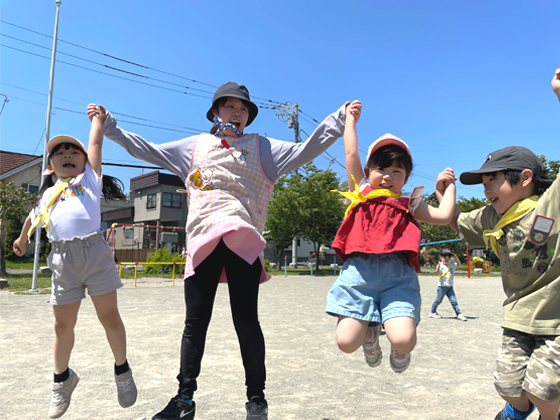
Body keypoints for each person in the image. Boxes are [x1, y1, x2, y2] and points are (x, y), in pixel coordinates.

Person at [94, 81, 350, 420]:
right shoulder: (195, 146)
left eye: (243, 109)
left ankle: (256, 400)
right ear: (215, 112)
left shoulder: (262, 149)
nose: (237, 113)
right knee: (194, 323)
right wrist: (109, 126)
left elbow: (306, 150)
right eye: (230, 107)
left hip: (242, 241)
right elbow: (147, 150)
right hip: (203, 243)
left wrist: (338, 120)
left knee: (246, 322)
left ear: (248, 117)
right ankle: (184, 399)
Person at [438, 70, 560, 420]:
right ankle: (514, 411)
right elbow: (456, 221)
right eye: (484, 183)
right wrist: (444, 197)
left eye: (494, 180)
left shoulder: (550, 204)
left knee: (543, 389)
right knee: (508, 386)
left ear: (524, 179)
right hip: (518, 316)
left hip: (556, 319)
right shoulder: (491, 217)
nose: (487, 189)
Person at [12, 107, 137, 419]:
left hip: (94, 253)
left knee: (109, 317)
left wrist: (97, 119)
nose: (67, 154)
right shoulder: (47, 195)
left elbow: (95, 144)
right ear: (50, 166)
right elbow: (32, 217)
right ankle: (62, 381)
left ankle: (122, 371)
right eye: (60, 152)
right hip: (63, 259)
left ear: (83, 161)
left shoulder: (91, 180)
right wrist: (23, 237)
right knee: (62, 325)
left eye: (73, 151)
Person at [325, 100, 457, 374]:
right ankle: (370, 337)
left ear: (406, 176)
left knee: (404, 340)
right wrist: (350, 121)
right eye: (381, 169)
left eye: (396, 171)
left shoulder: (410, 202)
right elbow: (350, 152)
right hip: (359, 274)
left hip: (398, 275)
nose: (387, 176)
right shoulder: (361, 189)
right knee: (346, 342)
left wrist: (446, 189)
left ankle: (398, 349)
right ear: (368, 171)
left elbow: (445, 216)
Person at [428, 248, 467, 321]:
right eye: (444, 258)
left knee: (454, 301)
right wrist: (438, 267)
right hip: (441, 287)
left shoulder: (451, 265)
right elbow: (438, 273)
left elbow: (459, 264)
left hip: (449, 287)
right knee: (438, 300)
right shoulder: (440, 265)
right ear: (441, 257)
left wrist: (456, 258)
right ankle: (432, 312)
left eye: (448, 258)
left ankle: (459, 314)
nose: (446, 259)